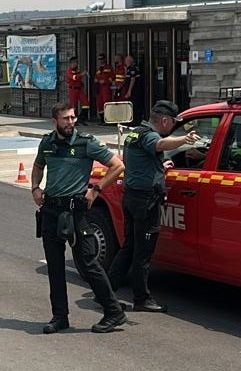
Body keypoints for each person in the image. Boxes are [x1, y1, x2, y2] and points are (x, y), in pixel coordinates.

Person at [30, 103, 127, 333]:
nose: (70, 122)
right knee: (55, 267)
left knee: (88, 263)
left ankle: (113, 311)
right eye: (65, 118)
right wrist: (35, 188)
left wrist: (97, 189)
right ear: (55, 120)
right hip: (51, 211)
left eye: (73, 117)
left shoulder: (86, 142)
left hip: (76, 212)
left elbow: (117, 166)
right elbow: (37, 166)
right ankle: (60, 317)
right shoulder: (48, 142)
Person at [112, 101, 199, 312]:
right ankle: (141, 299)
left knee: (129, 247)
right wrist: (184, 139)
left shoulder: (135, 133)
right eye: (173, 124)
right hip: (145, 201)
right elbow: (160, 145)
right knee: (143, 252)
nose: (172, 128)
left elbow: (142, 160)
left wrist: (159, 166)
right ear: (165, 120)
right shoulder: (151, 136)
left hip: (132, 197)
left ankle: (105, 290)